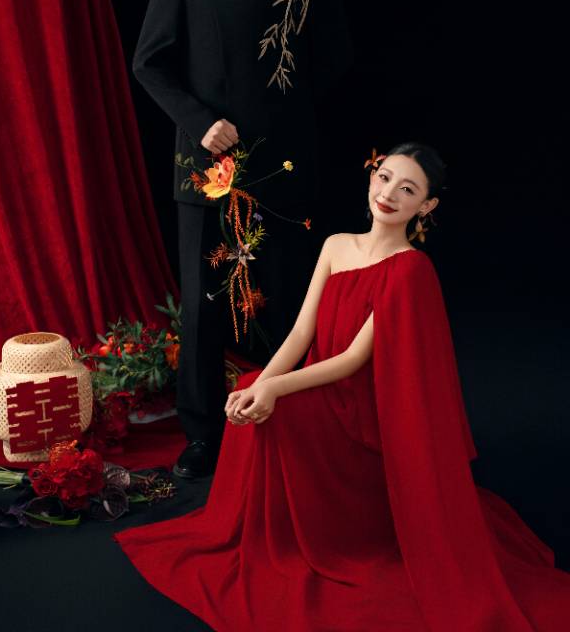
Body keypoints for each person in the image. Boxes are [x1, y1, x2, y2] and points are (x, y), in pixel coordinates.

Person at [114, 142, 570, 632]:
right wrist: (262, 385)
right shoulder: (335, 245)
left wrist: (277, 390)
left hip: (361, 409)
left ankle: (305, 542)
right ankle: (259, 532)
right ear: (372, 175)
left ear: (427, 206)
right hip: (319, 382)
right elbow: (301, 334)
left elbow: (353, 359)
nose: (389, 194)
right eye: (385, 177)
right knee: (248, 384)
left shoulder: (411, 268)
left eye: (408, 189)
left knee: (276, 407)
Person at [131, 0, 354, 478]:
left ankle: (290, 417)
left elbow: (335, 60)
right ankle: (203, 434)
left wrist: (283, 113)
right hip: (208, 163)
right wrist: (200, 121)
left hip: (286, 160)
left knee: (289, 292)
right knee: (203, 303)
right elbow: (149, 62)